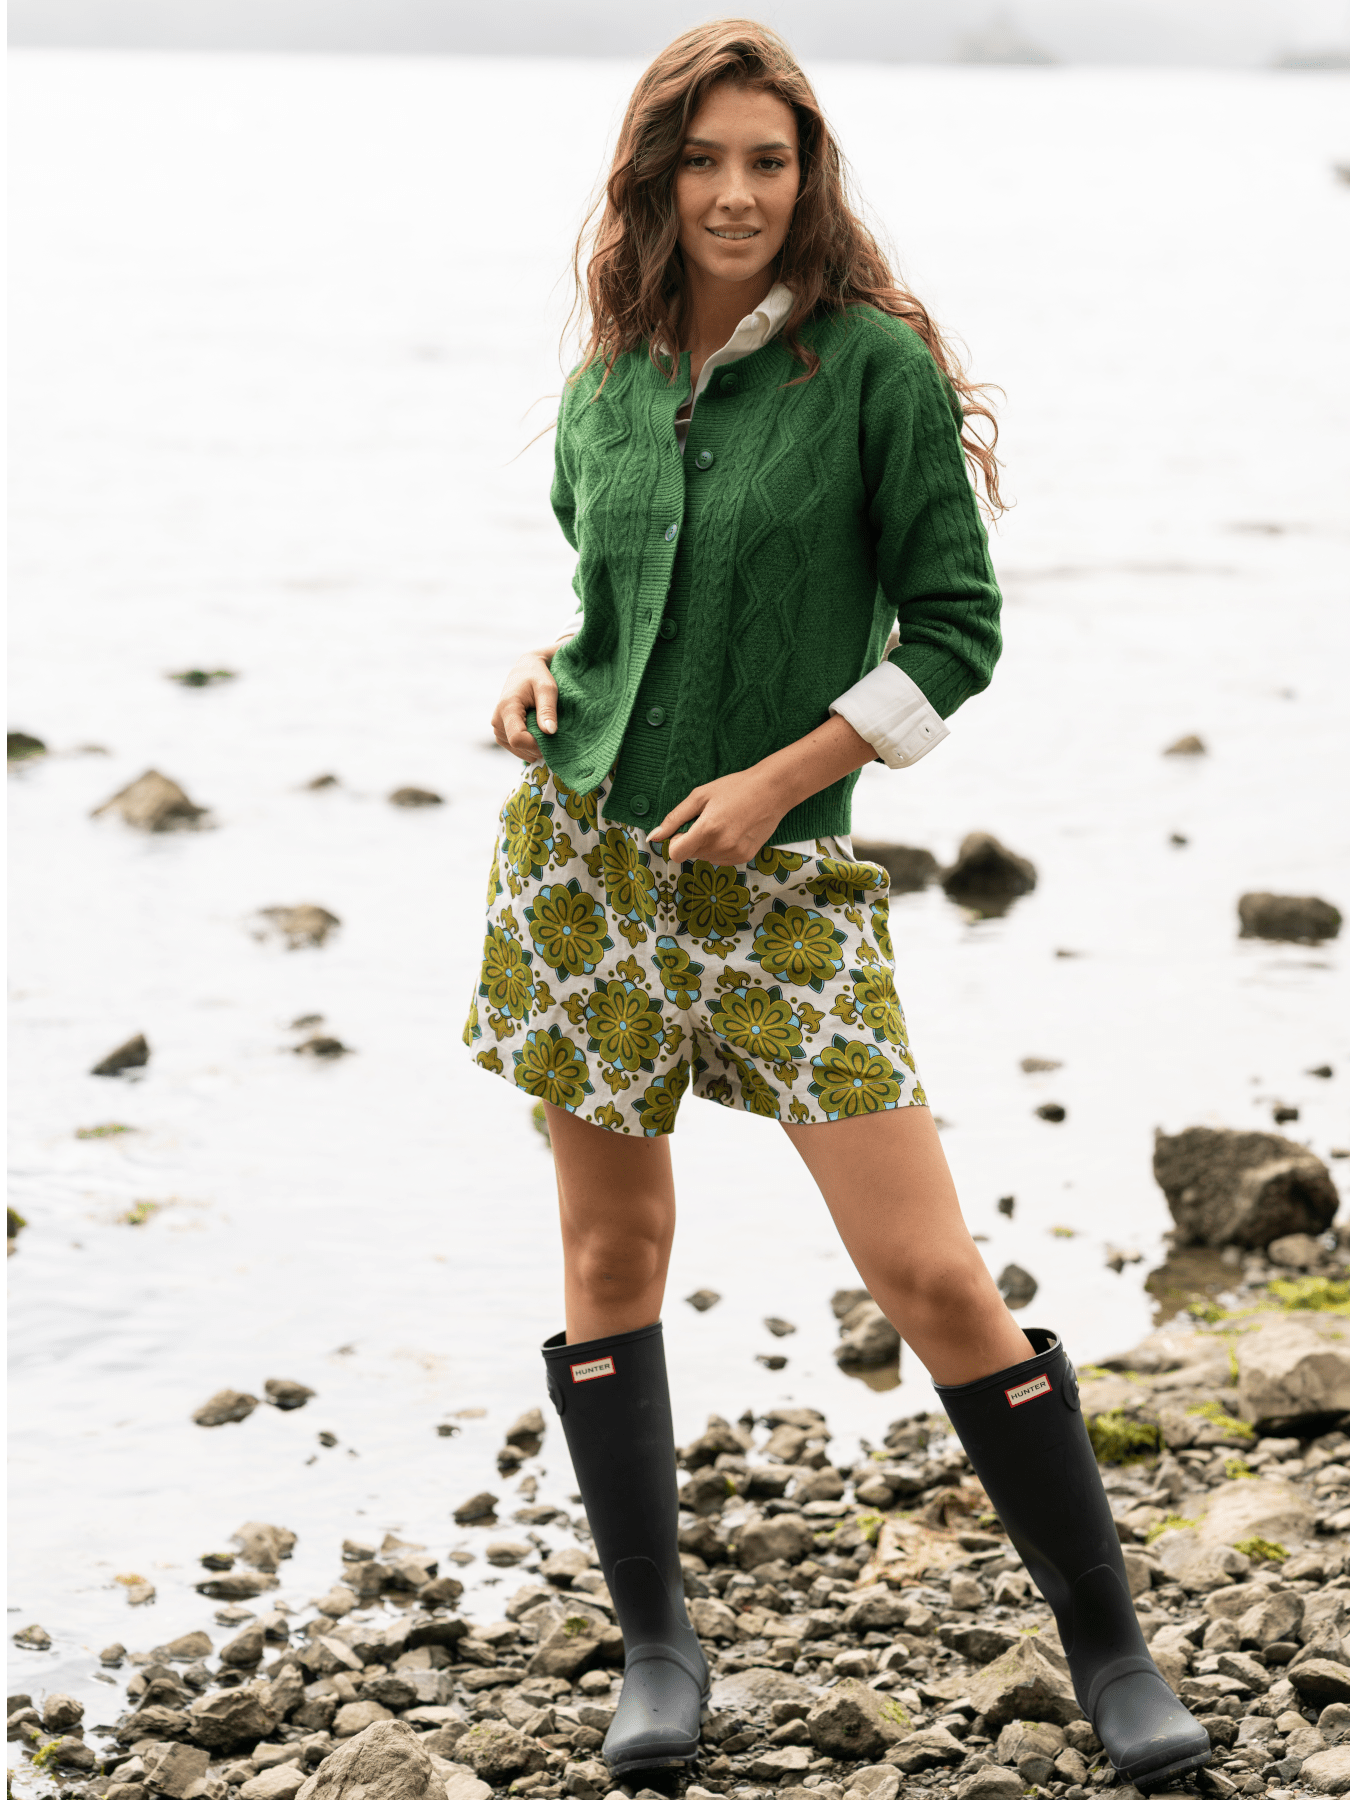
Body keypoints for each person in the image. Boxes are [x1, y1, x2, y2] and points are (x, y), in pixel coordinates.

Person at [465, 20, 1208, 1795]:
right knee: (608, 1258)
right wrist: (540, 676)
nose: (733, 193)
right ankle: (658, 1650)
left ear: (807, 178)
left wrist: (781, 781)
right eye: (702, 162)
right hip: (585, 872)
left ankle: (1110, 1656)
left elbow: (952, 637)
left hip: (785, 884)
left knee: (928, 1272)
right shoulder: (608, 380)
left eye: (766, 161)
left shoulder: (870, 370)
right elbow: (612, 604)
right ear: (653, 178)